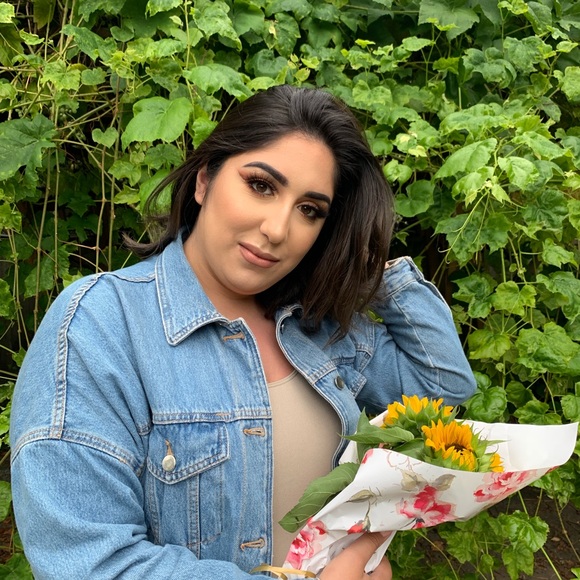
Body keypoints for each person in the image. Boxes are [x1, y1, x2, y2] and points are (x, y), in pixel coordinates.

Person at [10, 85, 476, 579]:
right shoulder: (99, 325)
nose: (278, 229)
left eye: (310, 210)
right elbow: (89, 563)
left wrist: (359, 267)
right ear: (204, 181)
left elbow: (443, 390)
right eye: (261, 185)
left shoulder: (317, 325)